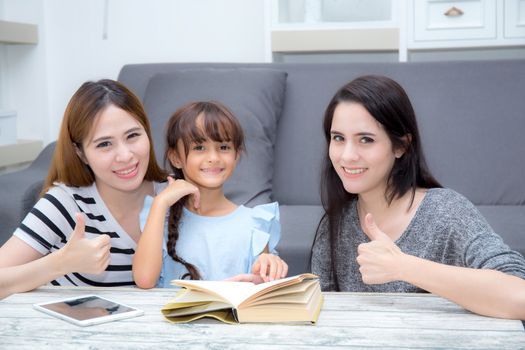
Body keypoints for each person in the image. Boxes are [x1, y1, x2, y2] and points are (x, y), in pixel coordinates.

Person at [311, 75, 525, 319]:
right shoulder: (335, 225)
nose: (347, 156)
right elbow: (320, 313)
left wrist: (402, 266)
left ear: (401, 146)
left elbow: (519, 297)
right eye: (338, 138)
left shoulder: (446, 212)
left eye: (366, 140)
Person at [0, 79, 166, 291]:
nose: (125, 155)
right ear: (81, 153)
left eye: (133, 135)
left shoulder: (173, 195)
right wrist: (60, 264)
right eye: (104, 144)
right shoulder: (65, 203)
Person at [133, 101, 288, 288]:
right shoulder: (159, 215)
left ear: (236, 155)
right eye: (199, 148)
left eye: (223, 147)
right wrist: (161, 203)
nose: (214, 157)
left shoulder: (254, 222)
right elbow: (144, 280)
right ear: (176, 157)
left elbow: (262, 288)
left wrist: (269, 271)